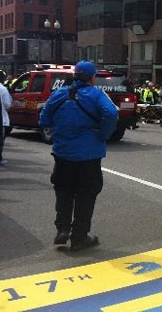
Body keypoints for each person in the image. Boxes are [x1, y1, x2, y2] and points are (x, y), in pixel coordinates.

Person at [39, 61, 118, 251]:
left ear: (74, 76)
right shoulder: (96, 94)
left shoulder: (59, 94)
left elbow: (44, 119)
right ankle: (79, 237)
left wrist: (61, 128)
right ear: (92, 77)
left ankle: (63, 228)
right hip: (88, 156)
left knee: (64, 191)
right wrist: (103, 133)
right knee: (86, 195)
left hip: (63, 154)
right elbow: (111, 112)